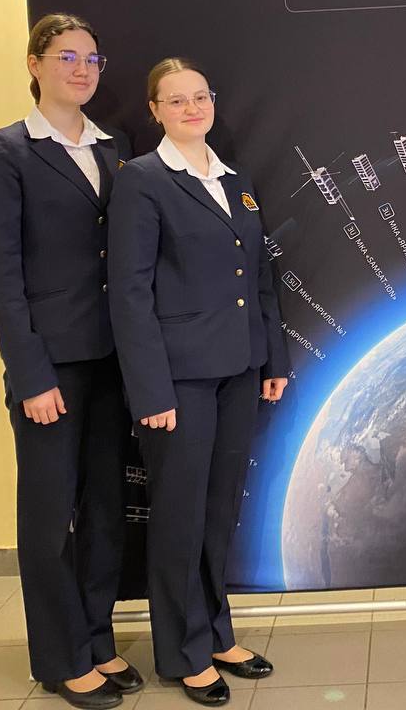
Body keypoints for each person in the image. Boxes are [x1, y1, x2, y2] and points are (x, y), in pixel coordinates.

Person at [108, 58, 289, 707]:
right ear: (154, 110)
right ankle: (183, 652)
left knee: (217, 512)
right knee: (180, 517)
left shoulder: (234, 181)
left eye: (200, 97)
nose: (192, 108)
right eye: (176, 100)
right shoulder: (142, 181)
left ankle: (216, 634)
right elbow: (129, 293)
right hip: (179, 379)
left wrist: (273, 359)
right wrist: (150, 390)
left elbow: (258, 276)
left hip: (238, 369)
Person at [0, 13, 140, 709]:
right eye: (66, 56)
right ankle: (58, 656)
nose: (81, 69)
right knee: (49, 519)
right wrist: (31, 375)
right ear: (34, 64)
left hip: (111, 359)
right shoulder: (9, 153)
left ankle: (96, 639)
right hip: (51, 367)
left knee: (105, 509)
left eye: (92, 58)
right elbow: (1, 279)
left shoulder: (115, 147)